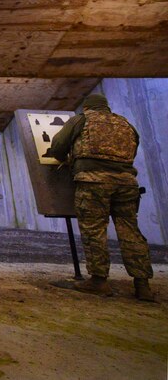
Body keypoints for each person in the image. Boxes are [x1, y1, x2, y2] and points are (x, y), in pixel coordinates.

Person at [49, 93, 155, 302]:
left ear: (87, 107)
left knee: (94, 230)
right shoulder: (126, 124)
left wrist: (67, 159)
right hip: (126, 184)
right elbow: (132, 152)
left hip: (93, 182)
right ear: (106, 107)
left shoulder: (81, 120)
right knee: (131, 231)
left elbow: (58, 146)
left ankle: (99, 281)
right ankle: (142, 285)